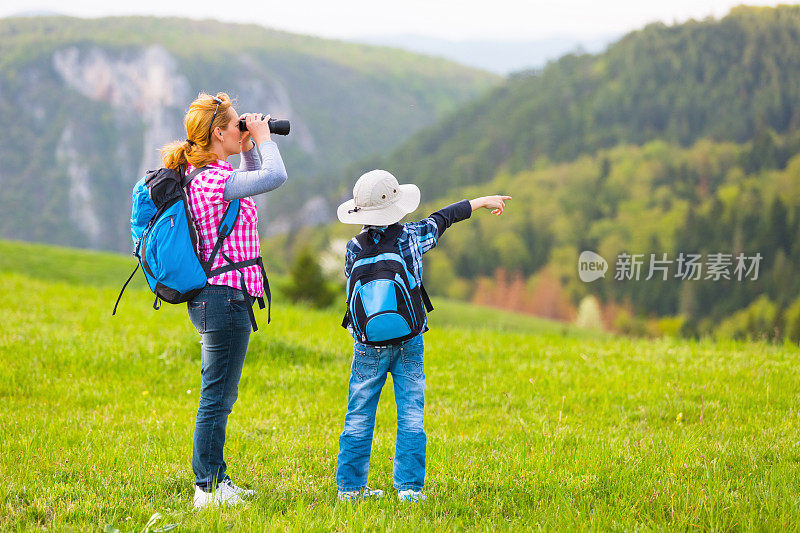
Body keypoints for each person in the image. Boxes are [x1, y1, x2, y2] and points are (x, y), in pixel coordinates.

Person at [334, 169, 511, 502]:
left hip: (367, 345)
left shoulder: (352, 247)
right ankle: (410, 491)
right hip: (409, 340)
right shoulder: (412, 237)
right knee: (410, 412)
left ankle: (350, 490)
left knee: (358, 414)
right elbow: (443, 218)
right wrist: (483, 201)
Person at [159, 92, 288, 508]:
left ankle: (215, 480)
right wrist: (266, 139)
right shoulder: (213, 180)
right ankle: (208, 489)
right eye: (238, 125)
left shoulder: (210, 176)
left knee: (218, 394)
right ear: (218, 134)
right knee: (216, 396)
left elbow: (253, 185)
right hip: (222, 298)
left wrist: (249, 145)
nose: (244, 128)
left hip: (219, 297)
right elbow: (275, 177)